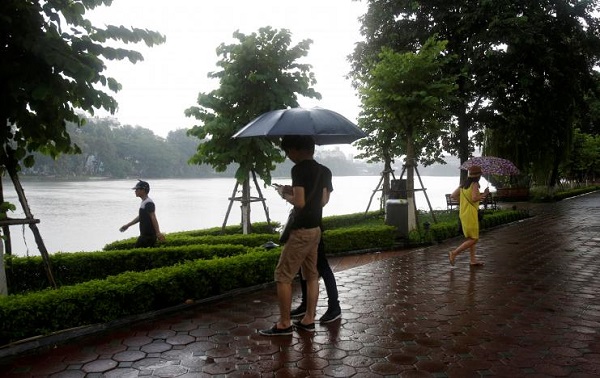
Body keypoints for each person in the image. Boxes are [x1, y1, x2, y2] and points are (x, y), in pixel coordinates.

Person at [259, 135, 329, 336]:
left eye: (288, 151)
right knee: (312, 275)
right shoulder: (322, 170)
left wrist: (283, 193)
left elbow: (299, 203)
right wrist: (292, 190)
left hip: (300, 232)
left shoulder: (298, 169)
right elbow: (322, 200)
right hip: (316, 229)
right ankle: (308, 320)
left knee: (283, 276)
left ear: (297, 149)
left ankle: (284, 324)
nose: (288, 156)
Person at [448, 166, 489, 267]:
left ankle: (473, 260)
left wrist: (463, 203)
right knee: (474, 239)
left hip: (463, 213)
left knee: (471, 237)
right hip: (470, 214)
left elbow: (453, 195)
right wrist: (484, 194)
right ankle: (454, 253)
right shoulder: (474, 184)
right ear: (478, 176)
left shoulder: (463, 185)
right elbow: (475, 198)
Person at [119, 180, 165, 248]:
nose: (135, 191)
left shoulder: (149, 203)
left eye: (137, 189)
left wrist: (158, 232)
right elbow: (141, 217)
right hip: (144, 235)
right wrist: (127, 225)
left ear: (143, 190)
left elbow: (153, 217)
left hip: (148, 236)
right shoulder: (144, 202)